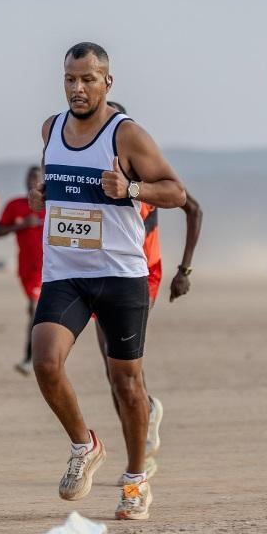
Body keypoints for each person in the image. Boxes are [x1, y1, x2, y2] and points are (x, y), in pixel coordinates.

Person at [30, 42, 187, 520]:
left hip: (120, 275)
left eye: (88, 79)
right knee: (45, 362)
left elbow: (176, 192)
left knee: (126, 383)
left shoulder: (126, 135)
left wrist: (132, 188)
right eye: (70, 80)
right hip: (66, 273)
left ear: (107, 83)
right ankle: (85, 445)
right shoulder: (51, 128)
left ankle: (136, 481)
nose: (78, 89)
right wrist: (43, 195)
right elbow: (62, 187)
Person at [96, 100, 205, 476]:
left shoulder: (144, 171)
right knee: (113, 370)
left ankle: (139, 453)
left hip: (143, 273)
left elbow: (193, 208)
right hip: (100, 271)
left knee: (123, 365)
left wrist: (184, 269)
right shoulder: (97, 171)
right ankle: (144, 426)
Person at [0, 165, 45, 375]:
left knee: (36, 311)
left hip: (53, 269)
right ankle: (36, 358)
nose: (32, 181)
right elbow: (0, 231)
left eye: (37, 178)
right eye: (29, 178)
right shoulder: (15, 205)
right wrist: (23, 224)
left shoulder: (53, 204)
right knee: (36, 312)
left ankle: (30, 359)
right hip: (28, 269)